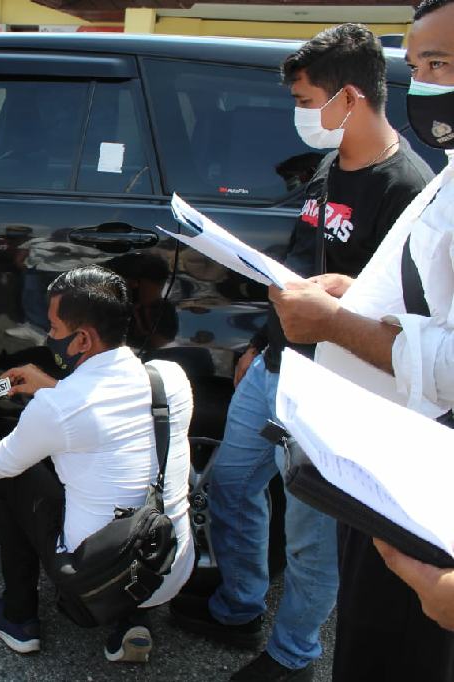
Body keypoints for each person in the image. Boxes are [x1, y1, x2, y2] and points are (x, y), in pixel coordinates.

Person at [170, 24, 434, 682]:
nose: (299, 114)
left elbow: (407, 319)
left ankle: (293, 657)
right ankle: (239, 605)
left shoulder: (407, 189)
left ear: (348, 98)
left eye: (305, 100)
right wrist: (261, 343)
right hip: (275, 366)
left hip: (334, 390)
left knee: (312, 536)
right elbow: (298, 267)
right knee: (230, 484)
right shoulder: (326, 168)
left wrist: (339, 313)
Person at [270, 2, 454, 679]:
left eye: (438, 63)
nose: (422, 83)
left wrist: (335, 323)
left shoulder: (407, 177)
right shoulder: (444, 172)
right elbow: (429, 304)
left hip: (420, 471)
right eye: (418, 63)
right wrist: (359, 295)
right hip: (381, 451)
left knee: (392, 644)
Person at [0, 265, 194, 663]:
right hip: (168, 566)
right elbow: (100, 414)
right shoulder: (169, 379)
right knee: (135, 480)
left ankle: (18, 618)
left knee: (15, 477)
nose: (48, 336)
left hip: (91, 578)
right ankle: (132, 620)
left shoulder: (57, 408)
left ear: (83, 339)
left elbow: (0, 462)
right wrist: (51, 385)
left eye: (54, 328)